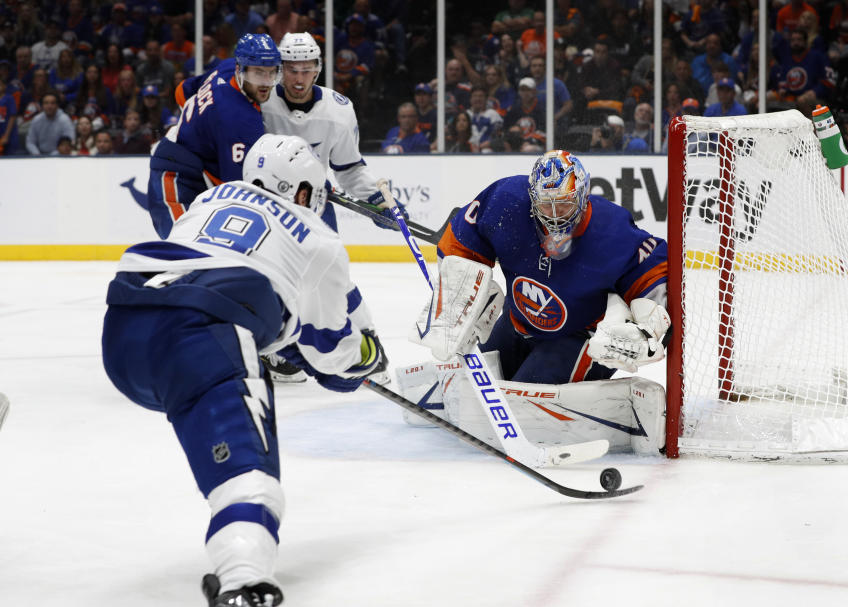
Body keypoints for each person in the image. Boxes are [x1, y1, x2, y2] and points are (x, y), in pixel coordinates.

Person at [101, 134, 386, 607]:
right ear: (302, 189)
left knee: (229, 393)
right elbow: (334, 360)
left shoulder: (210, 198)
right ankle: (241, 596)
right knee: (250, 483)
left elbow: (248, 274)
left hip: (123, 331)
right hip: (200, 331)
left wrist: (282, 332)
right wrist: (367, 356)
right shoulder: (319, 240)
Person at [426, 149, 668, 385]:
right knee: (463, 384)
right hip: (517, 322)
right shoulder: (507, 201)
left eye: (563, 204)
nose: (554, 216)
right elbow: (462, 240)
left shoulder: (612, 230)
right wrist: (462, 299)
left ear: (582, 197)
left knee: (523, 397)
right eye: (545, 205)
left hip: (579, 338)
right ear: (532, 198)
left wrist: (648, 328)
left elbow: (652, 274)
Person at [261, 32, 406, 232]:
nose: (299, 79)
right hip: (265, 204)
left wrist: (378, 199)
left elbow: (348, 168)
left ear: (317, 69)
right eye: (292, 70)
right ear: (280, 70)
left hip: (314, 204)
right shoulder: (262, 103)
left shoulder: (339, 110)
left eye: (306, 70)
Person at [147, 33, 281, 239]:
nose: (266, 83)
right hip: (174, 178)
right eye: (258, 74)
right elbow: (236, 191)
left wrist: (200, 126)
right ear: (241, 69)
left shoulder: (226, 67)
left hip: (191, 172)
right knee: (185, 252)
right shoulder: (240, 120)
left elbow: (182, 91)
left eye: (271, 73)